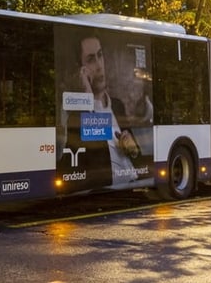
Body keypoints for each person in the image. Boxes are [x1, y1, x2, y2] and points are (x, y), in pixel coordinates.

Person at [59, 33, 149, 189]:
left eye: (100, 56)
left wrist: (132, 149)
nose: (99, 65)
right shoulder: (77, 113)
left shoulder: (117, 104)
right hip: (110, 187)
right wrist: (87, 97)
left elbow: (136, 154)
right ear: (81, 70)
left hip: (133, 183)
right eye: (91, 59)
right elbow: (85, 162)